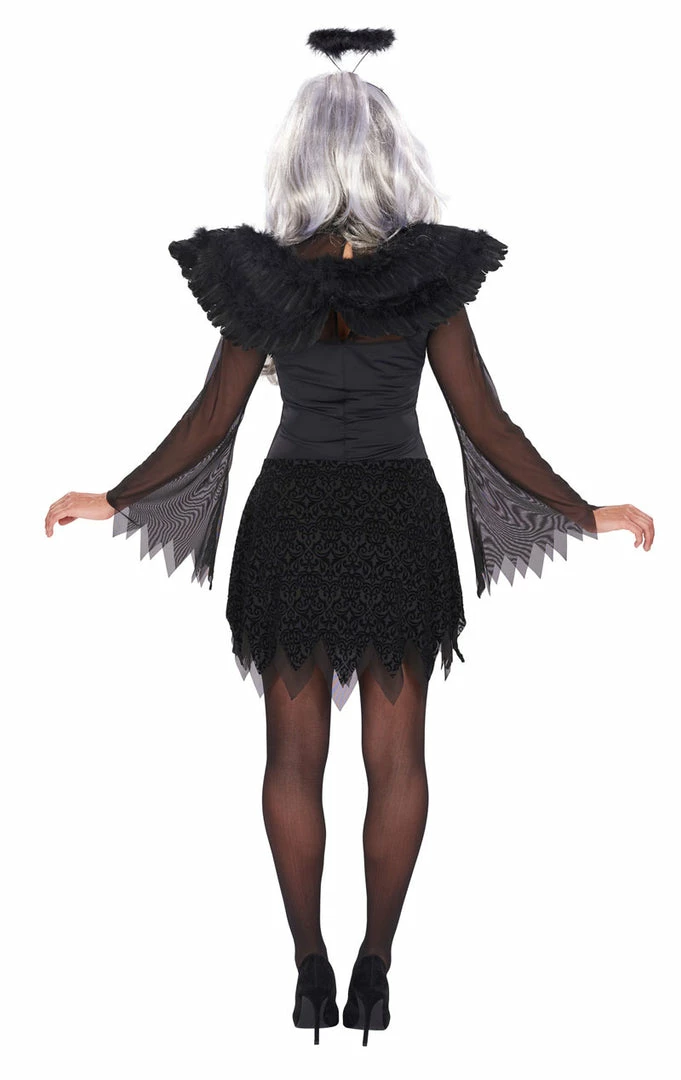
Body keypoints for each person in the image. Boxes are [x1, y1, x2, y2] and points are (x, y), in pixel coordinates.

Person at [44, 27, 654, 1047]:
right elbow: (485, 423)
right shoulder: (425, 279)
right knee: (397, 762)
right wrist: (583, 510)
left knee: (292, 761)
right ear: (390, 155)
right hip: (397, 524)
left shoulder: (264, 279)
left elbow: (212, 418)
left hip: (291, 523)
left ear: (297, 156)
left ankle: (309, 970)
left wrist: (114, 497)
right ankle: (375, 969)